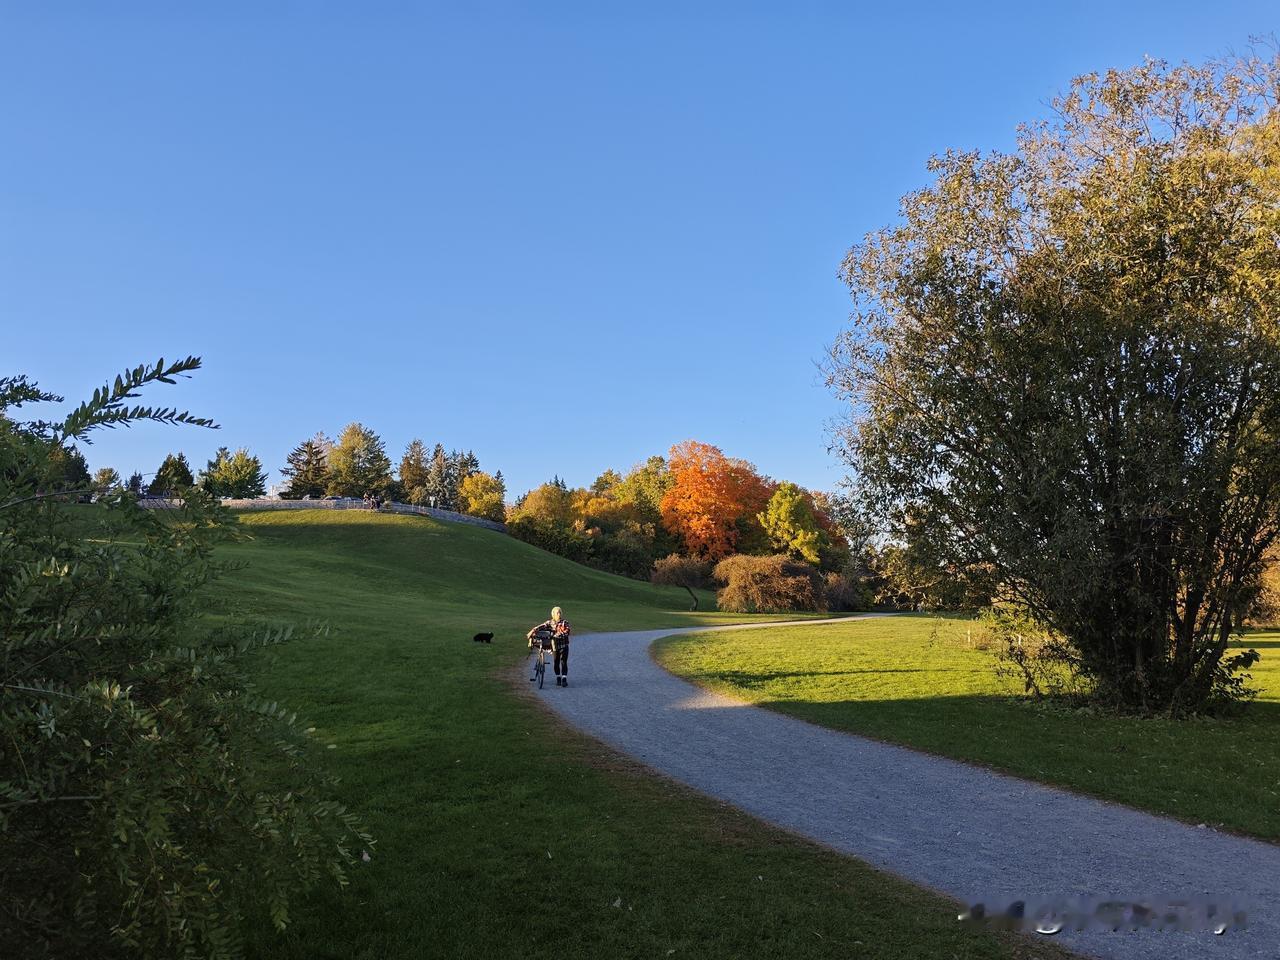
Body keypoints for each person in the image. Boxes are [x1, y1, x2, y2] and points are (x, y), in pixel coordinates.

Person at [526, 606, 572, 686]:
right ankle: (558, 677)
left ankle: (564, 679)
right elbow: (541, 626)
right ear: (553, 614)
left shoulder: (565, 622)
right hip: (555, 647)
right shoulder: (550, 623)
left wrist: (555, 635)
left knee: (564, 662)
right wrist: (532, 631)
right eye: (557, 612)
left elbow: (567, 632)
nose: (559, 614)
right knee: (556, 663)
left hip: (564, 646)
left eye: (560, 612)